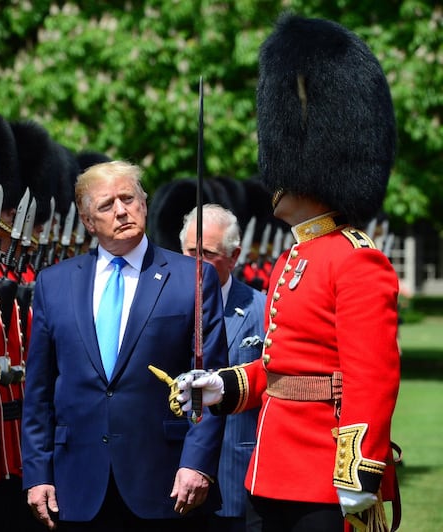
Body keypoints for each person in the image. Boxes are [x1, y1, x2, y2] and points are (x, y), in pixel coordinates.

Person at [177, 13, 401, 532]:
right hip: (270, 470)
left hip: (325, 478)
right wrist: (223, 386)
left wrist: (360, 471)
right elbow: (282, 369)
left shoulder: (355, 258)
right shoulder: (294, 257)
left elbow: (371, 377)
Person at [21, 160, 228, 531]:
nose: (121, 210)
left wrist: (197, 462)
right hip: (77, 485)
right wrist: (37, 474)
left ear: (144, 204)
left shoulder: (191, 278)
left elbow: (209, 381)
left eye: (128, 198)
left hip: (166, 483)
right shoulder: (54, 284)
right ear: (88, 221)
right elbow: (39, 391)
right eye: (106, 205)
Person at [179, 205, 266, 532]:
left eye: (208, 253)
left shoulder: (261, 308)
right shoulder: (166, 304)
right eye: (190, 251)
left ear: (234, 256)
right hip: (174, 475)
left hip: (235, 474)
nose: (196, 262)